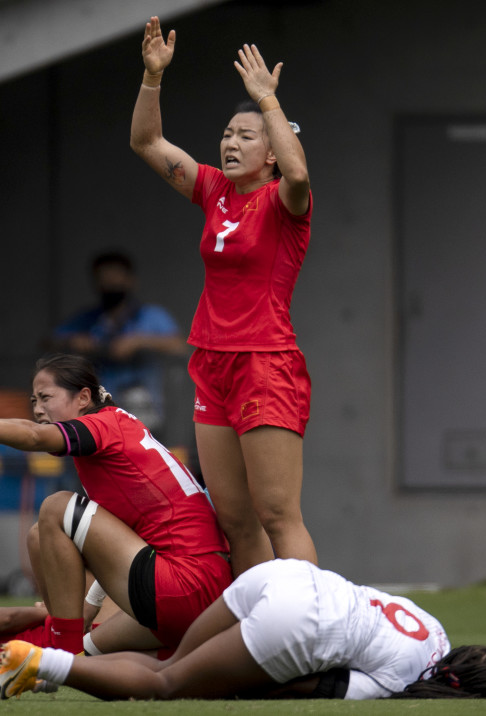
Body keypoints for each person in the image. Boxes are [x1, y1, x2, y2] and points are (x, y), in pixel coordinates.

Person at [130, 16, 316, 576]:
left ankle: (317, 635)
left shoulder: (286, 203)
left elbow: (301, 172)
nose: (231, 143)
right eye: (228, 134)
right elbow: (145, 141)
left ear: (272, 153)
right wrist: (152, 76)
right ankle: (260, 640)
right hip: (211, 361)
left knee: (278, 513)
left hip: (265, 363)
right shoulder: (215, 190)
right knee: (234, 518)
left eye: (246, 136)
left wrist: (268, 101)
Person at [0, 353, 231, 657]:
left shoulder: (102, 426)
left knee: (57, 508)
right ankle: (77, 646)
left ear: (83, 397)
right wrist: (90, 607)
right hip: (202, 594)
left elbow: (33, 436)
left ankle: (62, 652)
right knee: (40, 538)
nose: (39, 410)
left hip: (184, 587)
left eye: (46, 398)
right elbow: (132, 537)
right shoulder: (118, 426)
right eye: (33, 402)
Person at [0, 558, 486, 701]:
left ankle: (41, 675)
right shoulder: (406, 681)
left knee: (170, 664)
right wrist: (236, 683)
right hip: (300, 623)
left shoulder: (434, 627)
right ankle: (43, 662)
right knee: (170, 687)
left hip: (282, 577)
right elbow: (311, 687)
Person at [48, 251, 186, 436]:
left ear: (130, 280)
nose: (110, 283)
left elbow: (179, 346)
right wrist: (73, 341)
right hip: (101, 410)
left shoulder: (150, 315)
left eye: (115, 277)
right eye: (104, 278)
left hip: (145, 410)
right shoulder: (88, 319)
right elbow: (49, 341)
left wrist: (138, 342)